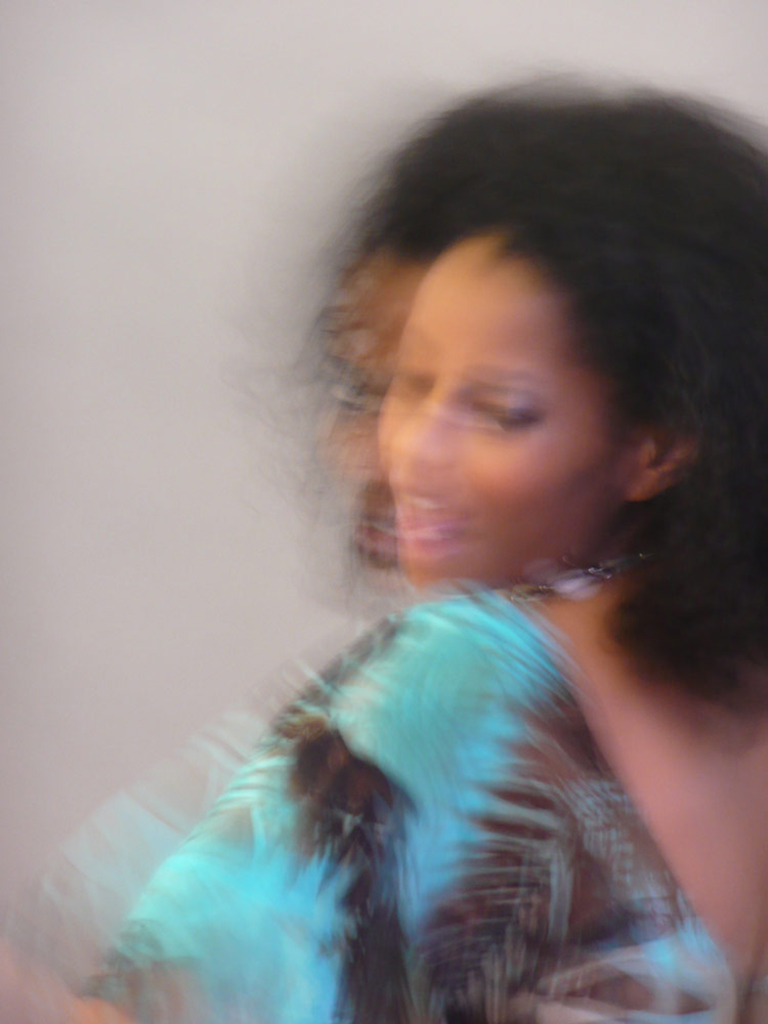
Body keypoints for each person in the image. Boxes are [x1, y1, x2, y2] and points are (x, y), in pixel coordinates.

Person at [5, 82, 768, 1022]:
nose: (411, 452)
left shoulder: (466, 683)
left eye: (500, 411)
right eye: (409, 383)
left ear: (656, 446)